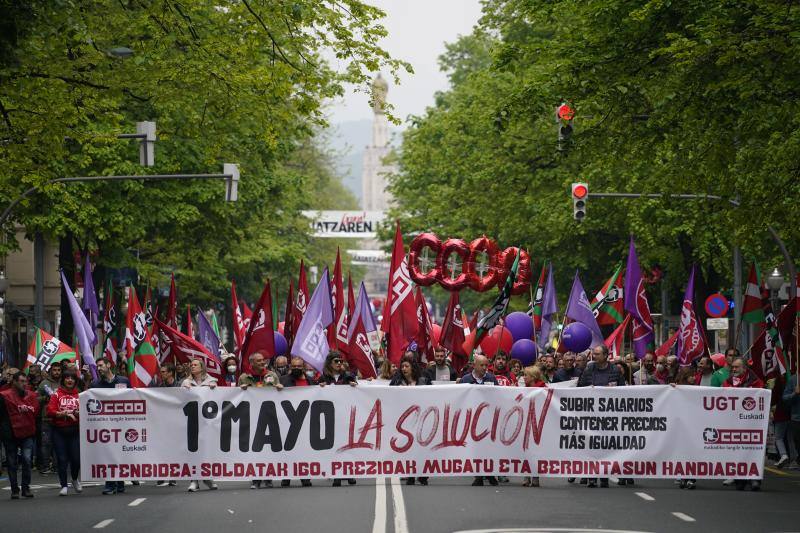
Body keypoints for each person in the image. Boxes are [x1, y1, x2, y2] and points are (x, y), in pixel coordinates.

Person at [578, 345, 624, 488]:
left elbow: (624, 390)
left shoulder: (615, 371)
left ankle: (604, 476)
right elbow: (580, 388)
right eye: (593, 354)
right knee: (591, 446)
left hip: (609, 416)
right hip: (591, 415)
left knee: (604, 446)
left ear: (605, 355)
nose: (594, 356)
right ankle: (591, 476)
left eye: (597, 354)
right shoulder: (588, 370)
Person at [91, 358, 131, 495]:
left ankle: (120, 482)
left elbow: (131, 399)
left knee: (120, 453)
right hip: (104, 426)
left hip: (122, 424)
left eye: (101, 365)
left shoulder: (123, 381)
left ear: (108, 365)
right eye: (97, 366)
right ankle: (109, 483)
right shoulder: (95, 384)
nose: (99, 368)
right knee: (107, 454)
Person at [724, 357, 764, 491]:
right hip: (734, 422)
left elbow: (761, 396)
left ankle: (754, 479)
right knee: (736, 449)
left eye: (736, 367)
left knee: (752, 449)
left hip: (751, 422)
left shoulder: (755, 381)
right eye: (732, 367)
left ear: (744, 368)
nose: (733, 369)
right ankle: (740, 478)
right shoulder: (728, 382)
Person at [390, 355, 431, 486]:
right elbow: (388, 395)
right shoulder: (396, 382)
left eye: (406, 366)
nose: (404, 369)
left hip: (422, 419)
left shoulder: (423, 380)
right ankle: (411, 475)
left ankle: (423, 474)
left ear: (413, 367)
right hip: (405, 422)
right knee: (409, 448)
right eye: (402, 366)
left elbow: (434, 395)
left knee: (422, 448)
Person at [0, 371, 40, 499]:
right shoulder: (4, 396)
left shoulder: (31, 396)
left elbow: (36, 413)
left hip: (27, 432)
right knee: (12, 462)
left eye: (25, 381)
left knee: (27, 460)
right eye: (21, 381)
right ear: (15, 382)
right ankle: (14, 489)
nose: (24, 384)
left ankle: (26, 487)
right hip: (10, 433)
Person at [460, 354, 499, 486]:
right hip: (472, 420)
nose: (484, 368)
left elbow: (498, 396)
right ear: (474, 365)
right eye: (481, 365)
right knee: (476, 448)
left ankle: (490, 473)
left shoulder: (491, 378)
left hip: (488, 418)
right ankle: (479, 475)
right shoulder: (465, 379)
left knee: (489, 448)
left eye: (486, 365)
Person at [320, 352, 357, 486]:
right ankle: (336, 474)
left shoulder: (348, 376)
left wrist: (354, 386)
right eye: (336, 361)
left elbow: (358, 392)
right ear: (330, 363)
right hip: (330, 417)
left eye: (341, 361)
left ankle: (349, 473)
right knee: (334, 447)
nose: (339, 363)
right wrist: (321, 388)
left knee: (347, 446)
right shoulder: (323, 377)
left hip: (346, 416)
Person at [182, 359, 219, 492]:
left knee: (206, 449)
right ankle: (194, 480)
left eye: (195, 365)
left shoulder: (211, 381)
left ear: (202, 367)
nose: (192, 366)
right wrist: (184, 390)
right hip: (192, 421)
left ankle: (207, 477)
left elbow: (217, 398)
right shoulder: (186, 382)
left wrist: (214, 389)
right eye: (191, 365)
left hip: (207, 422)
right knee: (193, 449)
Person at [278, 357, 315, 488]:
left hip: (305, 420)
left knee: (304, 451)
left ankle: (305, 477)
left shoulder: (311, 381)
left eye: (299, 366)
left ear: (303, 367)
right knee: (288, 450)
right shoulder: (283, 380)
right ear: (290, 367)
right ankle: (286, 477)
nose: (296, 369)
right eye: (294, 366)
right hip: (287, 420)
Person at [46, 371, 81, 496]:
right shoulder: (56, 395)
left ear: (75, 381)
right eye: (67, 378)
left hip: (75, 431)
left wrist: (78, 413)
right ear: (63, 380)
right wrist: (63, 414)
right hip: (59, 431)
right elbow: (50, 411)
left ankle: (75, 479)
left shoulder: (80, 395)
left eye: (72, 378)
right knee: (62, 459)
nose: (70, 380)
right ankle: (64, 485)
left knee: (76, 459)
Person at [522, 365, 546, 487]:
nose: (524, 377)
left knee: (535, 450)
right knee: (526, 449)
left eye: (526, 375)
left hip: (538, 424)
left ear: (533, 377)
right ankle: (526, 476)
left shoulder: (543, 388)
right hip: (526, 423)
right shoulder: (523, 389)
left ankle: (535, 477)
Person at [37, 364, 61, 474]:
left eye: (59, 370)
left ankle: (57, 466)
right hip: (46, 418)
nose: (56, 372)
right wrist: (45, 398)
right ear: (50, 371)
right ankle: (45, 466)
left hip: (60, 417)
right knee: (46, 443)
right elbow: (36, 399)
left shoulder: (64, 382)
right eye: (54, 370)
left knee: (58, 443)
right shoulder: (44, 383)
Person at [782, 370, 800, 469]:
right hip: (797, 418)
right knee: (797, 442)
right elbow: (785, 397)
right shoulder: (794, 379)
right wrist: (794, 393)